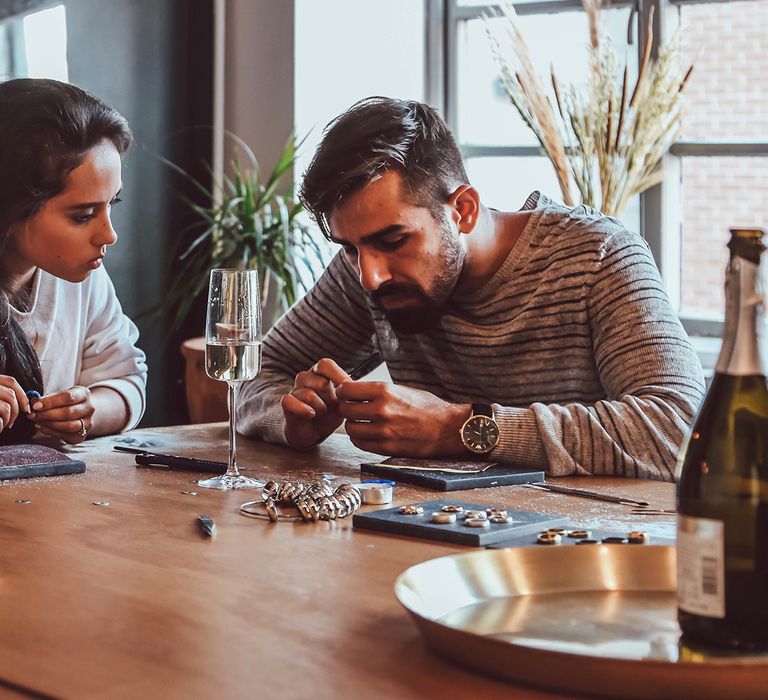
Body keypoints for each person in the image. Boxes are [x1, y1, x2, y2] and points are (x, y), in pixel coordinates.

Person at [236, 97, 705, 481]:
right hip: (424, 539)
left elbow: (680, 430)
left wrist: (459, 428)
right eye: (351, 248)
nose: (369, 276)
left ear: (462, 209)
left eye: (393, 240)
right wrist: (291, 420)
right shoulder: (368, 270)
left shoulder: (598, 256)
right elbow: (254, 373)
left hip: (588, 556)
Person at [0, 78, 147, 445]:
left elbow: (127, 380)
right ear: (12, 210)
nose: (108, 235)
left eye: (111, 204)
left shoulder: (83, 275)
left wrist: (90, 411)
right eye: (82, 216)